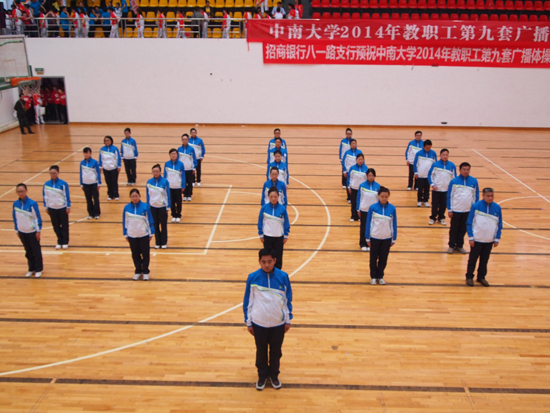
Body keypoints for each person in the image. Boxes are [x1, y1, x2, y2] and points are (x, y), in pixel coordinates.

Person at [243, 248, 293, 391]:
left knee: (276, 352)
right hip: (259, 324)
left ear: (275, 261)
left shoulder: (283, 277)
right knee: (261, 352)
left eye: (269, 261)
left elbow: (287, 299)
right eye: (263, 262)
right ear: (259, 261)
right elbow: (248, 301)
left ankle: (274, 375)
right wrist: (248, 322)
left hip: (278, 324)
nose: (266, 265)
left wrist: (288, 320)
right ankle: (262, 376)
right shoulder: (253, 278)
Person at [465, 188, 503, 287]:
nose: (490, 198)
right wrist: (471, 237)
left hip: (489, 240)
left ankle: (481, 277)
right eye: (488, 196)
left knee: (484, 260)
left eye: (492, 196)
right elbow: (469, 222)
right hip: (477, 239)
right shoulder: (476, 206)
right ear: (483, 196)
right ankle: (469, 277)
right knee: (472, 259)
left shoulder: (497, 208)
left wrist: (497, 238)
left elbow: (499, 224)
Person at [365, 186, 397, 285]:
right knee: (373, 258)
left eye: (386, 197)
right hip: (375, 237)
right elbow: (369, 223)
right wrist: (367, 238)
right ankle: (373, 276)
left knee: (383, 258)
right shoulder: (373, 208)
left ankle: (380, 276)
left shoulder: (392, 208)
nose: (384, 198)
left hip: (387, 238)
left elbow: (394, 224)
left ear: (388, 196)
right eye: (382, 196)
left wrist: (394, 238)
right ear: (378, 196)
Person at [447, 162, 479, 254]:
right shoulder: (454, 181)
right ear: (460, 170)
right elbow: (449, 196)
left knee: (463, 229)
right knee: (454, 229)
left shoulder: (474, 181)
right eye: (464, 169)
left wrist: (474, 210)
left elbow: (476, 196)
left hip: (468, 210)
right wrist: (450, 209)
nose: (466, 171)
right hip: (456, 210)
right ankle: (451, 245)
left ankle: (459, 246)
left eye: (468, 169)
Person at [123, 188, 154, 281]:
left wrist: (151, 233)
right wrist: (126, 234)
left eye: (136, 196)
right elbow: (125, 222)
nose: (135, 198)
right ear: (130, 197)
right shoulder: (126, 208)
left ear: (139, 196)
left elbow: (150, 220)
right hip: (132, 235)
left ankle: (145, 272)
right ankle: (138, 271)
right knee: (135, 254)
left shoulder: (145, 207)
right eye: (133, 196)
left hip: (143, 235)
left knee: (145, 254)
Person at [13, 183, 43, 278]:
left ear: (26, 191)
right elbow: (15, 218)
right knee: (28, 251)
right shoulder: (15, 204)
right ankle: (31, 268)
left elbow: (37, 217)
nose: (20, 193)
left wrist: (38, 230)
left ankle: (38, 269)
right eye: (18, 192)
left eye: (22, 191)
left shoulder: (32, 204)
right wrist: (17, 230)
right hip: (22, 232)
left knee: (36, 251)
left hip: (32, 232)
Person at [258, 187, 290, 270]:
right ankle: (268, 272)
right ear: (268, 197)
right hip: (267, 236)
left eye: (275, 197)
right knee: (268, 257)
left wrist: (286, 235)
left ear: (278, 197)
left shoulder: (282, 209)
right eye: (271, 197)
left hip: (279, 237)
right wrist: (261, 234)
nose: (273, 198)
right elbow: (260, 221)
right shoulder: (264, 208)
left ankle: (277, 273)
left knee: (278, 257)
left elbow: (286, 222)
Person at [43, 165, 71, 250]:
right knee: (56, 226)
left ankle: (65, 241)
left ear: (58, 173)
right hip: (52, 208)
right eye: (51, 173)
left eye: (54, 173)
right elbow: (45, 196)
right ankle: (59, 241)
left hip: (62, 208)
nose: (53, 175)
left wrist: (68, 206)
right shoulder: (46, 184)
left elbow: (66, 195)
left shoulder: (63, 184)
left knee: (64, 225)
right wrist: (46, 207)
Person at [427, 148, 456, 226]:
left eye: (447, 155)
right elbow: (430, 175)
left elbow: (454, 178)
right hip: (436, 189)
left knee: (443, 205)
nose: (445, 156)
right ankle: (433, 218)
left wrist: (451, 187)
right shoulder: (435, 164)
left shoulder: (452, 165)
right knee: (435, 205)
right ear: (440, 155)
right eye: (444, 155)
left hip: (446, 190)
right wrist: (432, 184)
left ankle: (441, 218)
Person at [146, 164, 170, 249]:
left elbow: (168, 194)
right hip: (153, 207)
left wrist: (168, 206)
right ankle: (157, 242)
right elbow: (148, 195)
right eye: (154, 171)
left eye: (157, 171)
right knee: (155, 225)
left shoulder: (165, 181)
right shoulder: (149, 182)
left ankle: (163, 242)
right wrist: (148, 206)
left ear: (160, 172)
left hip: (162, 207)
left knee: (163, 225)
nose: (155, 173)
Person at [357, 168, 380, 252]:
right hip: (364, 210)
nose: (371, 177)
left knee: (372, 227)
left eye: (372, 176)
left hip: (374, 211)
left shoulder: (378, 186)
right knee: (363, 227)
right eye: (369, 175)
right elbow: (359, 198)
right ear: (366, 176)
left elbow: (379, 199)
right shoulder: (362, 185)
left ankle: (370, 244)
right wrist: (358, 209)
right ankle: (363, 243)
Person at [413, 139, 437, 208]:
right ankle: (419, 200)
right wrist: (416, 173)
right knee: (420, 189)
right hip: (420, 175)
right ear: (423, 146)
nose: (428, 149)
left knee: (427, 188)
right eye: (427, 148)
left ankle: (426, 200)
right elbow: (415, 163)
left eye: (429, 148)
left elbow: (435, 164)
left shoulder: (433, 153)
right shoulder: (419, 153)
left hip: (429, 175)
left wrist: (434, 174)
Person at [80, 147, 101, 220]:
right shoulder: (82, 163)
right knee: (88, 199)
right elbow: (81, 173)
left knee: (95, 199)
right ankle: (90, 213)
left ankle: (97, 213)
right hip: (85, 184)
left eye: (87, 153)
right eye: (85, 153)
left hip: (94, 183)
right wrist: (81, 184)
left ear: (90, 153)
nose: (86, 154)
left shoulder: (95, 162)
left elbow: (98, 172)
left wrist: (99, 183)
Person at [164, 148, 185, 222]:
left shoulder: (181, 164)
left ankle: (178, 215)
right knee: (171, 201)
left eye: (175, 154)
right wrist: (164, 185)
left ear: (177, 155)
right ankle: (173, 215)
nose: (173, 155)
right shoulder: (167, 164)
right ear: (169, 155)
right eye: (172, 154)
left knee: (178, 201)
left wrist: (183, 185)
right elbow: (165, 175)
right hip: (170, 187)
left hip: (178, 186)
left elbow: (183, 176)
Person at [99, 135, 121, 201]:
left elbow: (118, 158)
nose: (107, 142)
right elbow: (100, 158)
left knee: (114, 182)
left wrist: (119, 166)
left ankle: (116, 194)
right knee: (108, 182)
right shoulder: (102, 149)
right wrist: (100, 166)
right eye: (105, 140)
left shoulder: (115, 148)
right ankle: (110, 195)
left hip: (113, 168)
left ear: (111, 141)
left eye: (108, 140)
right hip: (106, 168)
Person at [347, 153, 368, 222]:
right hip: (354, 188)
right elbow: (349, 178)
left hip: (362, 189)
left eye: (362, 159)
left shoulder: (366, 169)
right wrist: (349, 187)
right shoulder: (352, 168)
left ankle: (359, 217)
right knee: (354, 202)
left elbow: (367, 179)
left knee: (360, 203)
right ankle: (353, 216)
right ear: (356, 160)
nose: (360, 161)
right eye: (359, 159)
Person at [341, 139, 362, 204]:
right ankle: (349, 197)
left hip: (356, 171)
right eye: (352, 143)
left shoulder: (359, 152)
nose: (354, 145)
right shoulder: (347, 152)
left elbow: (362, 161)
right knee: (349, 184)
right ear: (350, 145)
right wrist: (344, 171)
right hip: (348, 171)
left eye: (355, 143)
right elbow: (344, 162)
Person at [178, 134, 197, 202]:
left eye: (186, 139)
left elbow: (194, 159)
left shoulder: (191, 149)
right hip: (182, 169)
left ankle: (189, 195)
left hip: (189, 169)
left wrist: (194, 168)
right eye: (183, 139)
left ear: (188, 140)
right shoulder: (179, 149)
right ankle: (185, 195)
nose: (184, 141)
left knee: (189, 182)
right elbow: (178, 159)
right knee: (183, 182)